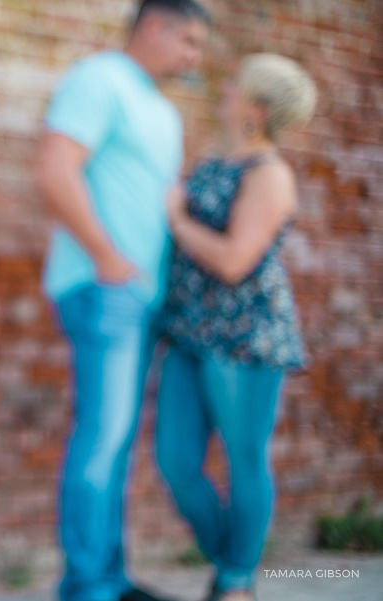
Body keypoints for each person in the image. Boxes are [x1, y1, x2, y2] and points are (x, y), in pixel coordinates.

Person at [34, 1, 210, 600]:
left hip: (142, 300)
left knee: (117, 441)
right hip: (103, 290)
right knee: (103, 437)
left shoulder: (159, 108)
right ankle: (88, 586)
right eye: (188, 41)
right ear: (154, 24)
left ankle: (108, 576)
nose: (193, 57)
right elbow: (56, 170)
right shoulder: (99, 78)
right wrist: (107, 257)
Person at [155, 54, 317, 601]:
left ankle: (234, 583)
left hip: (246, 338)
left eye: (234, 86)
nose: (223, 92)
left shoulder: (270, 174)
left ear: (258, 109)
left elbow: (233, 260)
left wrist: (176, 221)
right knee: (176, 464)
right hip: (188, 334)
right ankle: (233, 567)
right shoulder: (218, 160)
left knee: (245, 459)